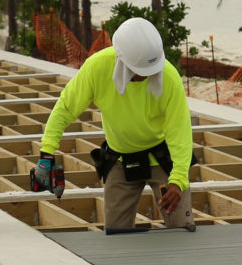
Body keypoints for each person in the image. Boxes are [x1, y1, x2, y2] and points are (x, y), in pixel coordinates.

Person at [35, 17, 194, 229]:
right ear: (121, 60)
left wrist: (178, 180)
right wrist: (47, 152)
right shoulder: (97, 68)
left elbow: (179, 131)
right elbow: (66, 107)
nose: (144, 77)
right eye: (139, 72)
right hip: (120, 159)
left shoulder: (168, 77)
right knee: (116, 235)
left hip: (162, 158)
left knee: (182, 230)